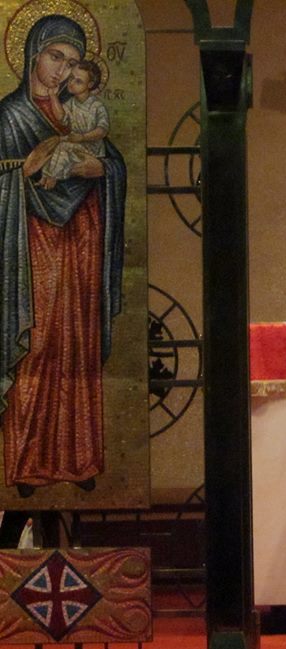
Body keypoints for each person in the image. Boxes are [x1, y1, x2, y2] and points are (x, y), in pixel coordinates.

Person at [0, 14, 127, 498]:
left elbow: (110, 166)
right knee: (40, 343)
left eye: (72, 63)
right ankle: (28, 462)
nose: (61, 71)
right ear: (33, 54)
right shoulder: (10, 116)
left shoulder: (78, 112)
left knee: (78, 344)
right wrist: (29, 170)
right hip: (32, 246)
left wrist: (102, 168)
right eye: (56, 57)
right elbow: (11, 176)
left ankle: (79, 459)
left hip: (83, 242)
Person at [40, 59, 110, 190]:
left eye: (78, 81)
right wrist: (53, 96)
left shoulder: (96, 106)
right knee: (55, 148)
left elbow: (102, 130)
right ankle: (45, 178)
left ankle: (51, 179)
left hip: (91, 148)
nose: (71, 83)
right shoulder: (71, 103)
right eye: (71, 78)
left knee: (63, 148)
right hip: (76, 143)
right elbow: (61, 117)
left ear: (90, 84)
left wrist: (82, 137)